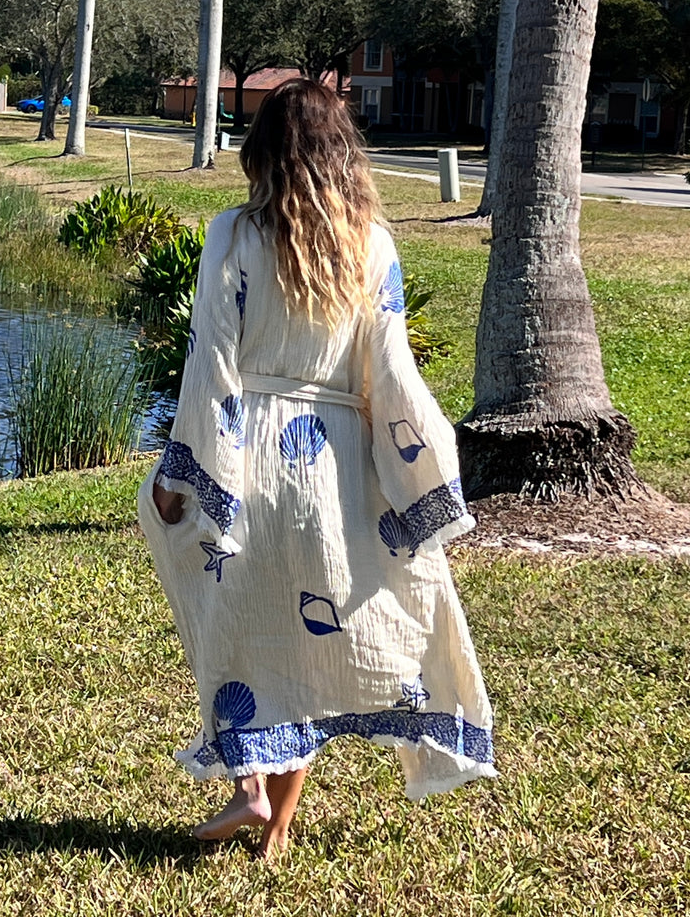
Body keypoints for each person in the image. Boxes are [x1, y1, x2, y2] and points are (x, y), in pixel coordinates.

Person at [137, 78, 495, 859]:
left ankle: (249, 787)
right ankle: (276, 827)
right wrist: (422, 481)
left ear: (261, 149)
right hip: (335, 468)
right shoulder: (372, 245)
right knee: (310, 646)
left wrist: (185, 471)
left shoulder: (233, 234)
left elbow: (210, 361)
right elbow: (392, 374)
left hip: (248, 455)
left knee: (242, 629)